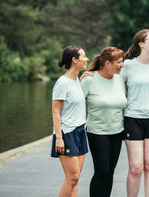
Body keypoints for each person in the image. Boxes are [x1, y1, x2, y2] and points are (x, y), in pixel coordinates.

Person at [121, 29, 149, 197]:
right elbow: (112, 81)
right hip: (133, 119)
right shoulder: (128, 65)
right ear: (141, 44)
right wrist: (90, 74)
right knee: (136, 167)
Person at [80, 47, 127, 197]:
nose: (122, 65)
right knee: (102, 171)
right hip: (97, 132)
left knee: (110, 172)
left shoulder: (119, 79)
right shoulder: (89, 79)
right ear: (107, 63)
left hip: (117, 131)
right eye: (119, 62)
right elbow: (75, 103)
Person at [51, 45, 89, 197]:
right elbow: (55, 112)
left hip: (79, 131)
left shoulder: (75, 81)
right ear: (74, 60)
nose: (86, 59)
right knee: (72, 177)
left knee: (75, 178)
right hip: (67, 133)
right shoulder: (62, 83)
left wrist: (84, 77)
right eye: (83, 56)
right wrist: (59, 138)